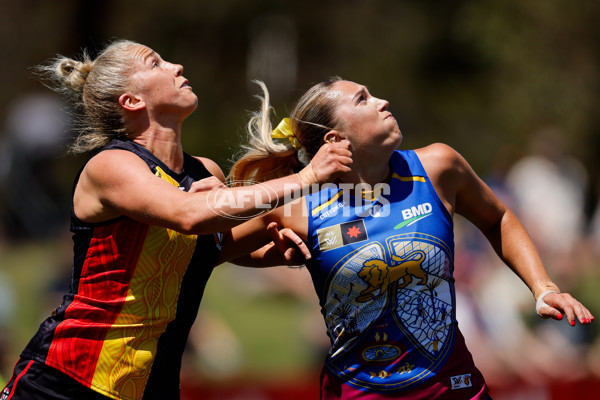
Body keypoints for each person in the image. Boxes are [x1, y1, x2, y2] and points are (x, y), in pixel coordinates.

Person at [0, 40, 352, 400]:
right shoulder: (112, 166)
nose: (176, 67)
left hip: (154, 385)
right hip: (67, 382)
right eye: (155, 63)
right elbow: (188, 216)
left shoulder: (204, 171)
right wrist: (308, 177)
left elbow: (207, 250)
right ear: (132, 101)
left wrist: (271, 249)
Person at [228, 78, 595, 399]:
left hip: (454, 388)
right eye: (363, 99)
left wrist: (543, 287)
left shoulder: (437, 167)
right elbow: (217, 249)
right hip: (359, 394)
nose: (381, 101)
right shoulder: (302, 207)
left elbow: (497, 217)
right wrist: (275, 256)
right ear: (335, 139)